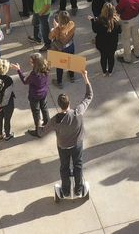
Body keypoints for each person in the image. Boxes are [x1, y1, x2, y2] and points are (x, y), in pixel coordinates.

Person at [51, 70, 93, 199]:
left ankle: (66, 191)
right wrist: (85, 76)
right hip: (77, 145)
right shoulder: (78, 111)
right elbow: (89, 96)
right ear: (69, 103)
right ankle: (79, 190)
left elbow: (43, 131)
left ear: (59, 105)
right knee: (78, 165)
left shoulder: (56, 119)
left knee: (64, 167)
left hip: (63, 146)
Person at [16, 53, 51, 136]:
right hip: (44, 93)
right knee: (44, 108)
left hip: (34, 96)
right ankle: (48, 125)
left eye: (32, 62)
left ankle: (38, 132)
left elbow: (25, 81)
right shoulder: (46, 68)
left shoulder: (34, 74)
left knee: (36, 113)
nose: (30, 63)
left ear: (36, 64)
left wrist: (18, 70)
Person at [0, 58, 17, 141]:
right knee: (7, 119)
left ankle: (0, 135)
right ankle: (8, 135)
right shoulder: (8, 80)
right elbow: (7, 95)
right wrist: (2, 104)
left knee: (0, 118)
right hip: (7, 104)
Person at [92, 4, 122, 75]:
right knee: (111, 57)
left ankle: (104, 72)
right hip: (112, 43)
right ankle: (110, 71)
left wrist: (92, 21)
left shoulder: (99, 21)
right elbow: (120, 31)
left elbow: (95, 30)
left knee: (103, 57)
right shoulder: (116, 21)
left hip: (102, 44)